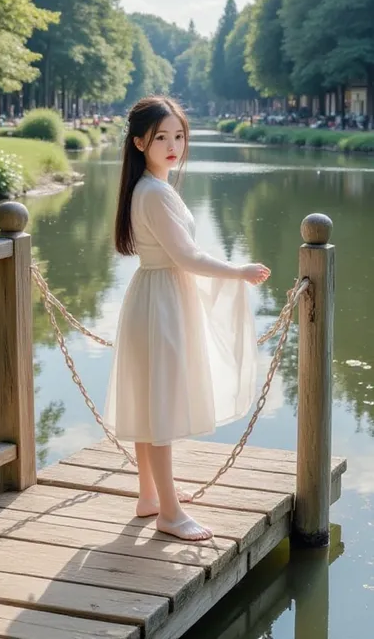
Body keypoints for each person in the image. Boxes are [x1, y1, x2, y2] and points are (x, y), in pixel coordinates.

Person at [104, 96, 270, 541]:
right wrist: (238, 271)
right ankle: (170, 513)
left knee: (150, 400)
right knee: (159, 405)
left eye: (179, 136)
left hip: (155, 295)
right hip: (160, 301)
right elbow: (187, 256)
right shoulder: (155, 192)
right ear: (140, 142)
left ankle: (150, 495)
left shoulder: (151, 187)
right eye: (162, 137)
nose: (173, 145)